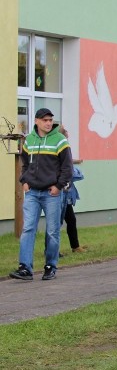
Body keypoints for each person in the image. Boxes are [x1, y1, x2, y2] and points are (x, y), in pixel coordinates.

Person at [9, 108, 73, 281]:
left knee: (52, 231)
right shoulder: (29, 140)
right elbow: (24, 164)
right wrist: (24, 181)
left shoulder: (60, 141)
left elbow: (68, 168)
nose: (48, 123)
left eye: (50, 120)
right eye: (44, 120)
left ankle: (50, 266)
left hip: (51, 193)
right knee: (28, 228)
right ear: (36, 121)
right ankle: (25, 268)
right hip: (32, 193)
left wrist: (58, 186)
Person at [56, 125, 85, 255]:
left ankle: (75, 246)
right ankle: (51, 250)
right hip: (60, 192)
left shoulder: (64, 147)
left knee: (70, 220)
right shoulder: (60, 146)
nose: (68, 132)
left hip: (66, 193)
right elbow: (69, 170)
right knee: (56, 222)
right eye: (65, 131)